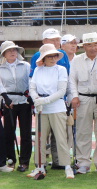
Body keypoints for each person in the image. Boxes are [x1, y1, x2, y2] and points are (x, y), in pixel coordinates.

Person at [27, 43, 74, 179]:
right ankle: (40, 166)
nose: (53, 58)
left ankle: (67, 167)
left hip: (56, 107)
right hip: (41, 108)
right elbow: (32, 87)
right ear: (44, 58)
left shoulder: (61, 70)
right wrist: (36, 99)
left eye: (54, 56)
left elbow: (61, 91)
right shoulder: (37, 70)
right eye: (49, 56)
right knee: (40, 139)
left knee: (60, 138)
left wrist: (44, 101)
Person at [69, 32, 97, 174]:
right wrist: (74, 96)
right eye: (89, 45)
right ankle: (83, 162)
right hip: (83, 99)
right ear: (84, 47)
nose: (93, 48)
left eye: (95, 45)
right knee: (83, 131)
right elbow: (72, 80)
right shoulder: (77, 60)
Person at [0, 41, 32, 172]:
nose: (12, 52)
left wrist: (31, 96)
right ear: (4, 54)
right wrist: (5, 99)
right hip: (9, 103)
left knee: (26, 133)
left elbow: (31, 81)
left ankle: (24, 162)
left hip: (25, 101)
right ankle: (11, 159)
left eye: (14, 50)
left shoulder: (26, 65)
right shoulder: (0, 68)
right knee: (9, 132)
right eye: (9, 50)